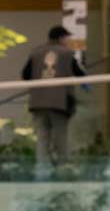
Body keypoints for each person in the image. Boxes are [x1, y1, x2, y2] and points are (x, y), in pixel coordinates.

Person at [21, 25, 87, 169]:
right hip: (59, 102)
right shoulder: (66, 53)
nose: (68, 41)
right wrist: (85, 82)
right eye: (67, 38)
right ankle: (62, 168)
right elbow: (79, 73)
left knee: (42, 138)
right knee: (60, 138)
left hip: (38, 102)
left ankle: (41, 169)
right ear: (61, 38)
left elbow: (25, 75)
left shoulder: (36, 52)